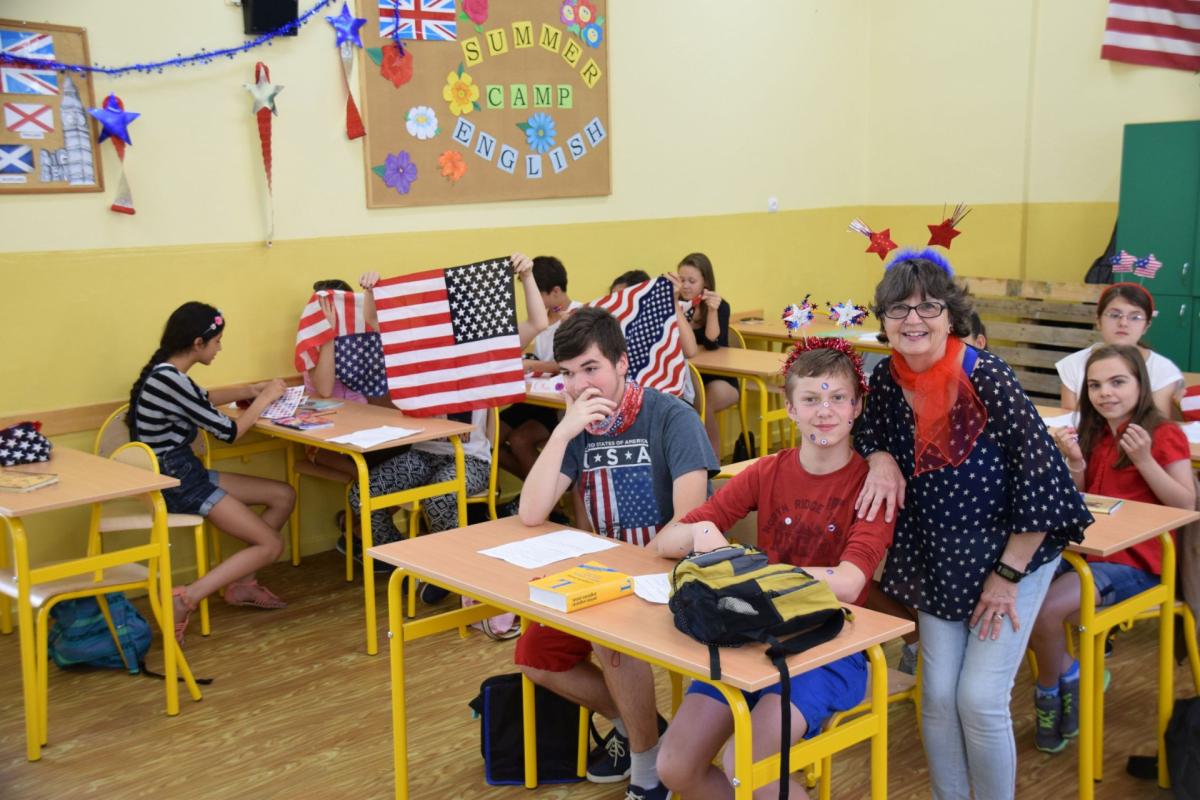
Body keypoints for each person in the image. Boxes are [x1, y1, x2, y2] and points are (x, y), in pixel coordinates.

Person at [853, 247, 1093, 800]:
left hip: (1013, 555)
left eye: (928, 307)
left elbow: (1043, 479)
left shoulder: (987, 377)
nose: (913, 319)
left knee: (980, 701)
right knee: (938, 697)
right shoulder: (886, 379)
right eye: (898, 309)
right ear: (884, 319)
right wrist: (880, 457)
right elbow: (868, 432)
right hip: (940, 558)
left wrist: (1006, 577)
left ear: (950, 315)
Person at [654, 338, 894, 800]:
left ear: (857, 407)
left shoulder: (871, 486)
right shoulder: (767, 471)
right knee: (675, 765)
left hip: (829, 647)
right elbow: (668, 540)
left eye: (838, 398)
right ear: (790, 408)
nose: (825, 411)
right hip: (751, 633)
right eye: (811, 399)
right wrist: (701, 532)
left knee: (747, 764)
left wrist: (748, 570)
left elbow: (848, 582)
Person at [516, 306, 718, 800]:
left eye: (591, 368)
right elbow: (531, 512)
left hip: (671, 574)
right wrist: (562, 431)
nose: (580, 385)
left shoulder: (672, 417)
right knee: (534, 656)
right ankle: (639, 728)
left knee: (614, 641)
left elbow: (688, 522)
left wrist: (626, 574)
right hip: (607, 576)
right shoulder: (580, 425)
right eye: (568, 374)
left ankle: (648, 772)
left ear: (622, 363)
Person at [345, 255, 548, 590]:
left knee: (439, 497)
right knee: (362, 494)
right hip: (425, 453)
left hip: (471, 460)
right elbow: (374, 320)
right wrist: (369, 290)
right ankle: (402, 561)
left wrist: (526, 275)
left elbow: (538, 322)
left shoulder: (486, 349)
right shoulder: (420, 347)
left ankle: (452, 574)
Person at [1033, 344, 1193, 753]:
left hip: (1141, 562)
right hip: (1091, 554)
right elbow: (1084, 500)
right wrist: (1074, 463)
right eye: (1095, 385)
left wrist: (1144, 459)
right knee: (1021, 596)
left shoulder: (1163, 433)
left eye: (1118, 382)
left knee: (1046, 609)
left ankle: (1048, 692)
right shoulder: (1095, 432)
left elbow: (1186, 505)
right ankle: (1070, 674)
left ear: (1141, 384)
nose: (1106, 393)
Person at [127, 302, 297, 643]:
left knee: (283, 495)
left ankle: (244, 584)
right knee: (271, 545)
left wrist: (250, 391)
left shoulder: (167, 374)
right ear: (198, 343)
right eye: (217, 341)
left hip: (184, 472)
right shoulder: (170, 380)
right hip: (177, 483)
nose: (220, 348)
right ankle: (186, 598)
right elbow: (231, 433)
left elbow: (202, 397)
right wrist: (264, 399)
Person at [1056, 282, 1182, 417]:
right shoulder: (1073, 364)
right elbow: (1070, 418)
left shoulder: (1163, 370)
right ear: (1098, 320)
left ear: (1146, 326)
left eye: (1135, 317)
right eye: (1114, 315)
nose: (1123, 323)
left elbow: (1157, 422)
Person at [498, 255, 572, 479]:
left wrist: (532, 365)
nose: (532, 301)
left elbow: (571, 365)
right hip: (533, 398)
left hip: (556, 405)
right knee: (490, 438)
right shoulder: (542, 320)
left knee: (520, 440)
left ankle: (548, 495)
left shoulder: (577, 315)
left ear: (556, 291)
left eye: (536, 294)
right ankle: (533, 487)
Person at [670, 253, 738, 459]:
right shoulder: (676, 304)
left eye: (692, 281)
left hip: (719, 378)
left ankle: (712, 461)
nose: (686, 286)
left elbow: (712, 342)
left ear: (705, 282)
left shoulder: (719, 305)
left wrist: (712, 311)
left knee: (703, 402)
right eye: (682, 280)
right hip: (688, 375)